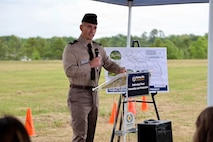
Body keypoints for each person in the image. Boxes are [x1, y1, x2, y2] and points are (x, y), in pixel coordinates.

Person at [62, 13, 126, 142]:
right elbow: (70, 71)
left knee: (91, 134)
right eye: (89, 27)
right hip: (78, 94)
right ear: (81, 27)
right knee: (80, 136)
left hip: (94, 94)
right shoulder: (71, 48)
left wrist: (119, 69)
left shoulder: (98, 48)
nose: (92, 31)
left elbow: (108, 63)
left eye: (95, 27)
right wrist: (90, 65)